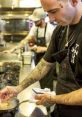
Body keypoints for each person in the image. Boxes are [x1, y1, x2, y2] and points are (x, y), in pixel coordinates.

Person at [1, 0, 82, 117]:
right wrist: (17, 88)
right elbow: (44, 64)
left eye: (54, 11)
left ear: (74, 1)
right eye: (48, 13)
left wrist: (54, 99)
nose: (52, 19)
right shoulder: (61, 30)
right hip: (61, 109)